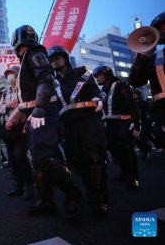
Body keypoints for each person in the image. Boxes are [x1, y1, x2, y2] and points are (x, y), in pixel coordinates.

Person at [6, 25, 82, 222]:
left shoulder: (35, 52)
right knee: (42, 160)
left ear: (16, 41)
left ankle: (73, 192)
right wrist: (18, 114)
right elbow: (28, 97)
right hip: (36, 113)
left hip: (44, 113)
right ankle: (46, 200)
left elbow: (45, 77)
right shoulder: (28, 59)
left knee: (43, 158)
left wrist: (40, 107)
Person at [48, 45, 108, 218]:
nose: (55, 60)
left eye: (58, 57)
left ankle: (99, 200)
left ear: (65, 58)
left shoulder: (83, 73)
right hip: (68, 126)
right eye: (52, 58)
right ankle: (88, 194)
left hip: (89, 121)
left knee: (95, 159)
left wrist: (99, 98)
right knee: (77, 163)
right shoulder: (51, 82)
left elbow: (98, 92)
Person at [93, 66, 140, 190]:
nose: (97, 77)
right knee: (116, 150)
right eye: (96, 76)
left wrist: (136, 125)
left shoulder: (121, 85)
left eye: (99, 75)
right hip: (110, 125)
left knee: (127, 149)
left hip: (124, 122)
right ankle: (125, 173)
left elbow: (132, 106)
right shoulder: (103, 89)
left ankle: (133, 177)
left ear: (107, 74)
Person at [129, 12, 165, 150]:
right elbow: (135, 81)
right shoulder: (154, 58)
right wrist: (143, 55)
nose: (162, 31)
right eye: (159, 29)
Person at [0, 66, 35, 198]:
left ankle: (29, 184)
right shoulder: (5, 92)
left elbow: (28, 107)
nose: (10, 76)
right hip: (8, 128)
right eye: (8, 74)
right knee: (12, 158)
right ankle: (18, 185)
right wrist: (8, 105)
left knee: (20, 156)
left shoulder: (24, 90)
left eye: (12, 73)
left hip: (21, 126)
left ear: (19, 75)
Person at [132, 89, 152, 158]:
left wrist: (148, 118)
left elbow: (149, 111)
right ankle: (143, 149)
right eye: (133, 94)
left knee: (143, 137)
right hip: (135, 122)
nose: (134, 95)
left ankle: (146, 151)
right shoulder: (132, 104)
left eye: (135, 94)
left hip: (143, 122)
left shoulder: (143, 103)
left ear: (139, 95)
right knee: (136, 138)